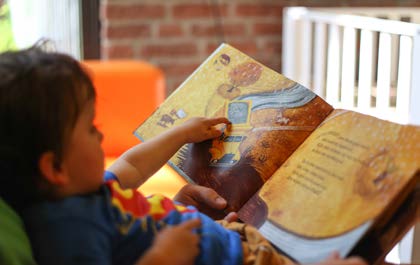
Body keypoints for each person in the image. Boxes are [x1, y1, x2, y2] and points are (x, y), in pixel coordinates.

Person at [0, 47, 368, 265]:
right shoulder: (67, 233)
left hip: (224, 238)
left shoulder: (89, 190)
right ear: (55, 167)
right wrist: (162, 258)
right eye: (89, 128)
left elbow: (131, 164)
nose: (100, 134)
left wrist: (181, 133)